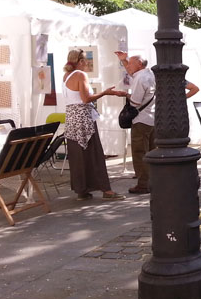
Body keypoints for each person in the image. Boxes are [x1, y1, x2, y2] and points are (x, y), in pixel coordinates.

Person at [62, 49, 124, 201]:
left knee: (78, 155)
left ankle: (81, 190)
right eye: (86, 61)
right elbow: (85, 98)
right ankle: (106, 190)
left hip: (71, 118)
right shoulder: (80, 75)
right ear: (81, 61)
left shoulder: (66, 75)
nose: (87, 63)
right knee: (94, 153)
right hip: (83, 118)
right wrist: (105, 93)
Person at [114, 52, 156, 195]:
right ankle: (153, 181)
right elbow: (132, 72)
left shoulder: (140, 79)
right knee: (151, 152)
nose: (128, 66)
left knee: (140, 153)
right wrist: (124, 60)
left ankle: (143, 184)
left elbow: (135, 102)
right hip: (152, 118)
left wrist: (125, 95)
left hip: (141, 120)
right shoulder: (149, 74)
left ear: (139, 64)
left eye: (131, 63)